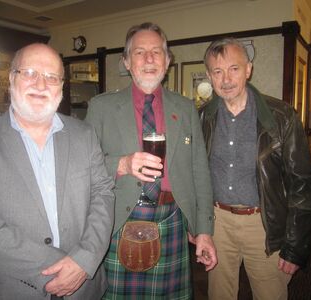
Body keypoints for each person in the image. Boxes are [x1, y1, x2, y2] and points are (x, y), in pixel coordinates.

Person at [0, 43, 115, 300]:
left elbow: (103, 195)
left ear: (61, 85)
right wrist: (57, 267)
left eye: (51, 77)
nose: (40, 84)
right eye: (29, 73)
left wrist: (84, 261)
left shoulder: (84, 134)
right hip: (5, 289)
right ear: (11, 79)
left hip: (83, 288)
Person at [85, 22, 217, 299]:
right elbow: (82, 168)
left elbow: (200, 173)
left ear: (167, 61)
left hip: (172, 221)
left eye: (157, 52)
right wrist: (121, 164)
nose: (148, 59)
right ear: (126, 62)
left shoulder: (185, 108)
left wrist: (203, 230)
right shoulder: (101, 108)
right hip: (120, 222)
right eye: (139, 52)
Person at [199, 37, 311, 300]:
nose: (226, 79)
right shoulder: (201, 117)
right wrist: (198, 225)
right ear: (209, 75)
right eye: (217, 71)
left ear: (249, 69)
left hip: (264, 224)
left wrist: (296, 246)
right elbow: (195, 175)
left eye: (234, 69)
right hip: (217, 222)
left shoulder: (281, 116)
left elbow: (303, 183)